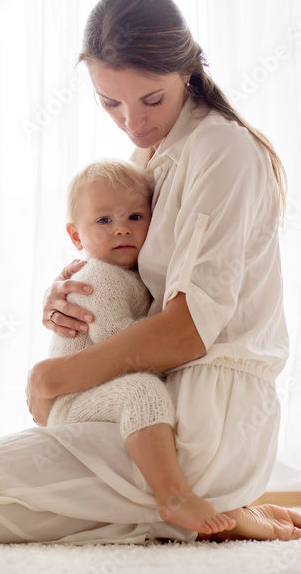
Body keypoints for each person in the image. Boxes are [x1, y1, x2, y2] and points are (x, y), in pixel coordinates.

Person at [0, 0, 301, 544]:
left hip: (202, 422)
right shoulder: (150, 157)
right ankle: (217, 507)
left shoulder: (223, 150)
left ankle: (200, 498)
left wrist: (52, 377)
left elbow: (191, 329)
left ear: (189, 69)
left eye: (151, 99)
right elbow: (135, 286)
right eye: (110, 102)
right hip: (154, 416)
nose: (132, 123)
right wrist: (78, 289)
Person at [45, 157, 236, 535]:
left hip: (93, 386)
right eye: (104, 221)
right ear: (75, 236)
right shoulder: (100, 278)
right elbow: (120, 346)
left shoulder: (134, 276)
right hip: (72, 398)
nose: (121, 230)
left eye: (135, 217)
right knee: (143, 389)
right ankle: (172, 495)